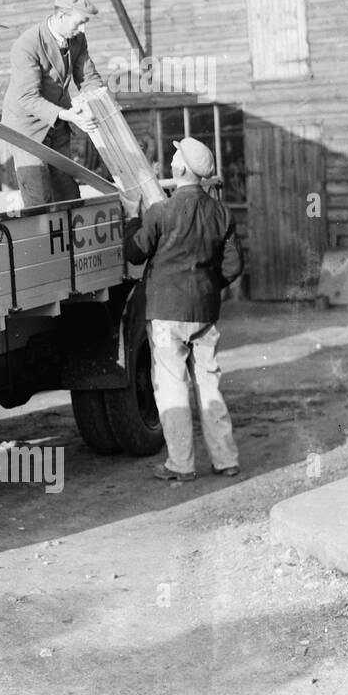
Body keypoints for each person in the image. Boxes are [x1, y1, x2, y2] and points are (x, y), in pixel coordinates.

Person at [123, 137, 245, 481]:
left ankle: (181, 465)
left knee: (173, 388)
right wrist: (207, 287)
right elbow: (234, 265)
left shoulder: (160, 212)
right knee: (210, 387)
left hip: (165, 314)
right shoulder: (222, 213)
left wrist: (132, 216)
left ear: (179, 170)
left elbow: (133, 253)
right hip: (204, 312)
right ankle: (226, 461)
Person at [2, 0, 104, 206]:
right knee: (39, 197)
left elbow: (88, 77)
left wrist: (103, 103)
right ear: (60, 16)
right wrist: (68, 115)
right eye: (79, 23)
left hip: (57, 126)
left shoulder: (77, 39)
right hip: (26, 128)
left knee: (68, 194)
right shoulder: (27, 44)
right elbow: (27, 97)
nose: (82, 29)